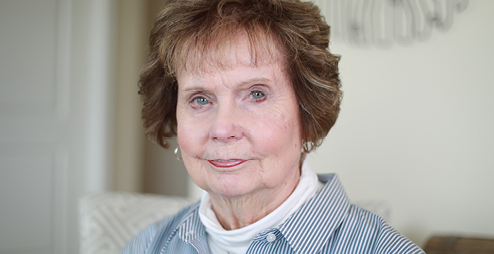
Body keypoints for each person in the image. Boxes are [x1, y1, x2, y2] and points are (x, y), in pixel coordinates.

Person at [122, 0, 424, 253]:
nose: (223, 128)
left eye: (256, 94)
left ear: (307, 112)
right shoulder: (150, 246)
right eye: (200, 99)